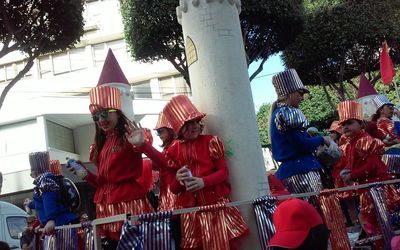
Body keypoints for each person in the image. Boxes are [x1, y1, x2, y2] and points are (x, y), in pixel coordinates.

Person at [67, 85, 154, 248]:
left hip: (129, 203)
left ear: (118, 112)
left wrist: (143, 144)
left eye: (105, 114)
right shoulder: (100, 144)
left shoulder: (131, 135)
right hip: (105, 208)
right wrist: (84, 173)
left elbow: (157, 159)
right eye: (96, 117)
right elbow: (101, 183)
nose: (101, 120)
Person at [163, 95, 249, 250]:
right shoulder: (171, 151)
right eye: (188, 123)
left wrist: (204, 182)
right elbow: (174, 189)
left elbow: (223, 172)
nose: (194, 126)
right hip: (191, 214)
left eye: (196, 121)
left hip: (215, 208)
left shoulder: (211, 141)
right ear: (178, 128)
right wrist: (177, 179)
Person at [334, 100, 400, 244]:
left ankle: (388, 244)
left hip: (377, 187)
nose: (345, 127)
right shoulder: (352, 142)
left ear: (361, 124)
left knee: (382, 221)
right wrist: (347, 171)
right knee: (372, 221)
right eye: (343, 125)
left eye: (350, 123)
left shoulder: (363, 139)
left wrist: (352, 175)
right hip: (368, 187)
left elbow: (372, 166)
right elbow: (355, 163)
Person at [269, 69, 330, 207]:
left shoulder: (278, 113)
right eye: (300, 93)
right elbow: (302, 145)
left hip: (290, 171)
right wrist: (322, 139)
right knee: (314, 213)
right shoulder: (287, 112)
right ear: (289, 93)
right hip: (303, 172)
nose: (302, 98)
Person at [28, 151, 77, 235]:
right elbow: (42, 201)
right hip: (60, 222)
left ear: (35, 171)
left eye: (31, 171)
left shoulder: (45, 180)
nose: (31, 174)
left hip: (60, 223)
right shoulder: (45, 179)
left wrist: (50, 220)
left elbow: (49, 199)